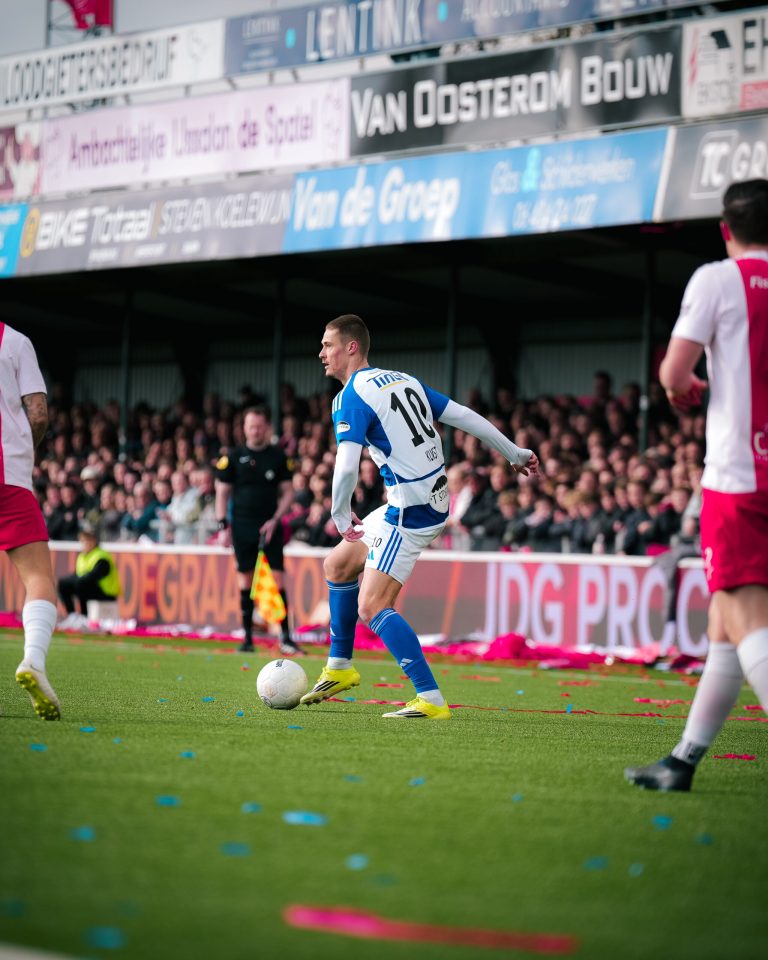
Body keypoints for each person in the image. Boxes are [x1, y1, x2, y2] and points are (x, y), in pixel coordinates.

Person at [301, 314, 538, 718]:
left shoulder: (351, 396)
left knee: (373, 607)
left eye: (328, 344)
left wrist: (340, 513)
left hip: (410, 510)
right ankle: (339, 668)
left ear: (352, 346)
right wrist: (513, 452)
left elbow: (345, 467)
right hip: (427, 498)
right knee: (338, 564)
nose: (321, 353)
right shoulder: (400, 379)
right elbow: (463, 415)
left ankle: (429, 698)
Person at [626, 179, 768, 791]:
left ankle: (682, 762)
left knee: (744, 617)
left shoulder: (717, 279)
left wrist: (690, 394)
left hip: (738, 477)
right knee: (723, 632)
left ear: (725, 229)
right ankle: (683, 761)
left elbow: (674, 373)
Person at [0, 322, 60, 720]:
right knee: (38, 577)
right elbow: (37, 412)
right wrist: (27, 452)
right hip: (9, 477)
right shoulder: (15, 341)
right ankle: (33, 661)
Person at [215, 407, 303, 655]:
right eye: (251, 426)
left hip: (270, 526)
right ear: (244, 428)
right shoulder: (232, 457)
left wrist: (276, 518)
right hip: (242, 525)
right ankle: (247, 638)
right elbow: (221, 494)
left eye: (260, 426)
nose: (255, 430)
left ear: (267, 428)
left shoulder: (278, 457)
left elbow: (288, 492)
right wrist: (223, 526)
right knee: (245, 579)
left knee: (277, 579)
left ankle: (286, 636)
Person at [58, 521, 121, 628]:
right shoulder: (82, 556)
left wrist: (78, 579)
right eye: (82, 540)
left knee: (82, 583)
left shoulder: (102, 557)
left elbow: (93, 576)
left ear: (94, 541)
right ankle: (72, 616)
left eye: (87, 540)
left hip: (106, 594)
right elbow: (77, 574)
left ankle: (84, 616)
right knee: (63, 584)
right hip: (91, 588)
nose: (84, 543)